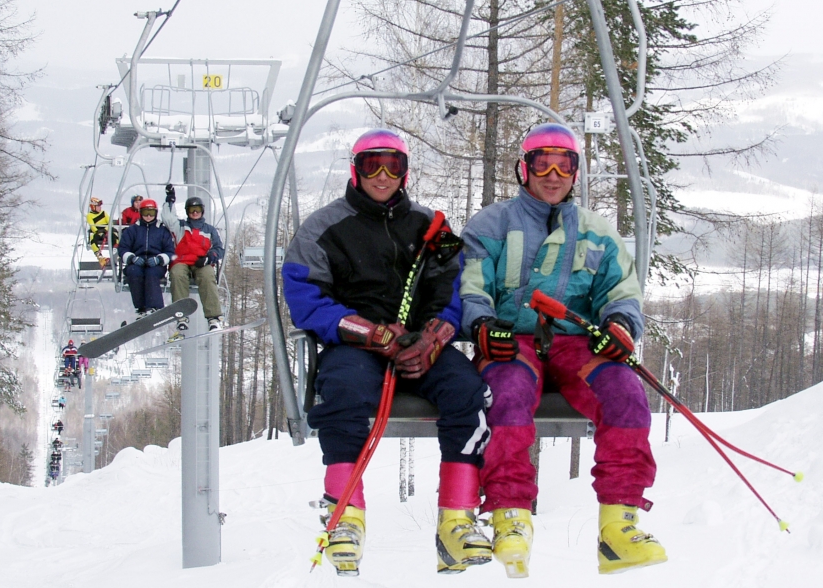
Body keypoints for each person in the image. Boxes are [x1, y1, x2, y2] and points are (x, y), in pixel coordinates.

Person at [459, 123, 666, 577]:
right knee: (507, 393)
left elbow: (622, 292)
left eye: (565, 164)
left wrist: (619, 325)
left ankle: (619, 525)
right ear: (524, 168)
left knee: (625, 394)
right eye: (542, 163)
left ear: (576, 173)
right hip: (515, 340)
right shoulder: (491, 225)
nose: (553, 174)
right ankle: (510, 514)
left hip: (575, 344)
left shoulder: (596, 233)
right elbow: (472, 287)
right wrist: (482, 325)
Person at [283, 129, 492, 576]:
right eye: (371, 164)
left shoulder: (430, 226)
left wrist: (434, 335)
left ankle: (457, 516)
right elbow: (305, 298)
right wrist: (370, 333)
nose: (382, 175)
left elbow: (454, 285)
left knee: (467, 390)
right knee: (343, 391)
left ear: (405, 171)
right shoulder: (322, 228)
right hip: (355, 344)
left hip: (420, 343)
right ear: (355, 170)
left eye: (392, 165)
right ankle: (345, 512)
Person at [161, 185, 224, 337]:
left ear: (202, 211)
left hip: (201, 262)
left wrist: (209, 257)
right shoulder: (181, 227)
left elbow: (219, 249)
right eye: (191, 210)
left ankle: (213, 317)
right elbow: (168, 218)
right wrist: (169, 200)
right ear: (188, 212)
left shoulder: (209, 230)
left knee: (208, 276)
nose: (194, 213)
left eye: (197, 210)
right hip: (182, 261)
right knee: (176, 274)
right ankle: (181, 314)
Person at [118, 199, 176, 319]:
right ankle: (141, 307)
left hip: (155, 263)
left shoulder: (162, 230)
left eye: (151, 213)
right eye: (145, 213)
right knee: (134, 273)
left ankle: (155, 306)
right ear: (140, 213)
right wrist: (131, 258)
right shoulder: (133, 230)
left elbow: (170, 251)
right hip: (136, 261)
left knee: (151, 274)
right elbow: (123, 248)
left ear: (155, 213)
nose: (148, 216)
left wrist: (159, 259)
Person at [87, 196, 119, 267]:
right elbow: (92, 226)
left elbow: (110, 222)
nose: (100, 208)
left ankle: (116, 254)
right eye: (98, 206)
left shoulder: (104, 213)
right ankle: (100, 257)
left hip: (107, 230)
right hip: (98, 231)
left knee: (115, 235)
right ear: (93, 207)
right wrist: (98, 232)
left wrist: (106, 229)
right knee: (92, 239)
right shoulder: (89, 215)